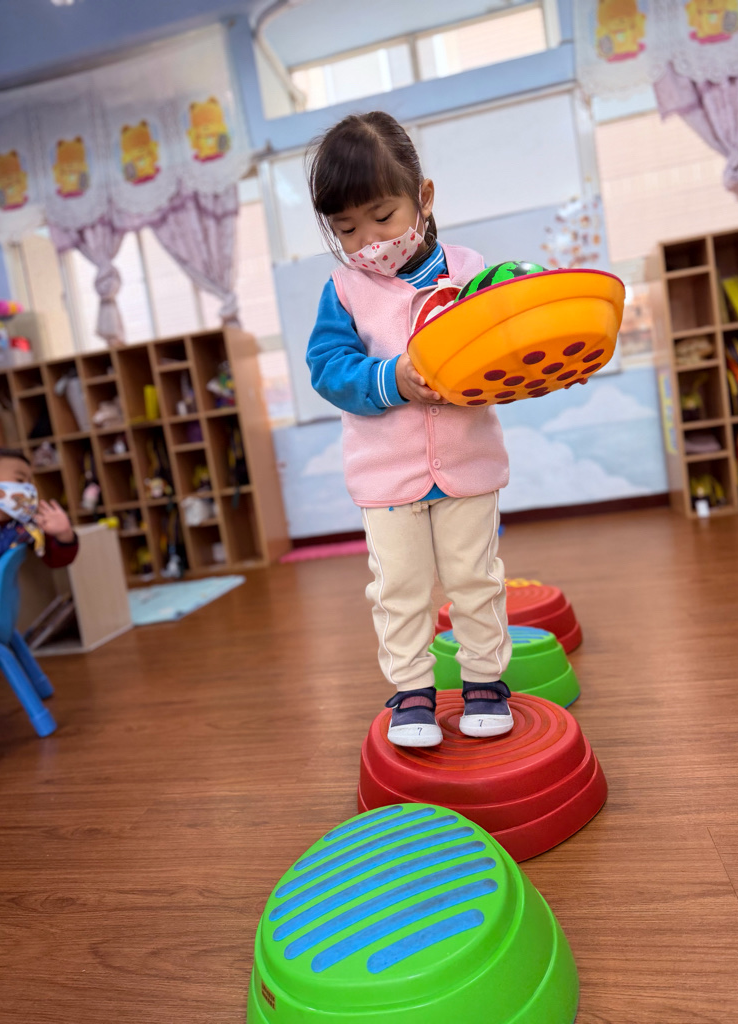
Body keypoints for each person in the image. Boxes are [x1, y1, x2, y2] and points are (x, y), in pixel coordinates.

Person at [306, 111, 512, 749]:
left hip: (468, 464)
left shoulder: (469, 271)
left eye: (382, 216)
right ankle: (413, 692)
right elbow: (328, 368)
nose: (368, 239)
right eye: (347, 228)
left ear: (423, 197)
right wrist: (391, 377)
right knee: (400, 590)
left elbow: (504, 343)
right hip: (387, 478)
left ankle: (485, 682)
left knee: (475, 579)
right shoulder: (344, 290)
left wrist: (547, 364)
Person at [0, 448, 79, 568]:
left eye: (29, 482)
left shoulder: (27, 525)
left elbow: (56, 559)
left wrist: (64, 534)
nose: (28, 489)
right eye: (20, 480)